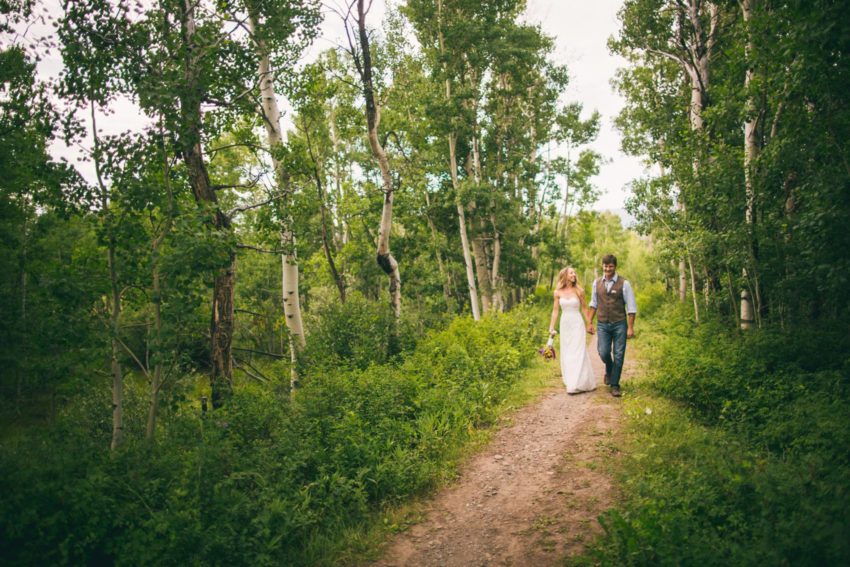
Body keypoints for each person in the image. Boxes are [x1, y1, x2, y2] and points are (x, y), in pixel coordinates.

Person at [586, 254, 637, 397]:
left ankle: (615, 384)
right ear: (602, 266)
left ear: (615, 267)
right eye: (605, 266)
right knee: (603, 352)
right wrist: (589, 322)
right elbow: (593, 304)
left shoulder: (624, 283)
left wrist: (630, 327)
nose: (608, 269)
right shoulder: (596, 283)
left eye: (610, 266)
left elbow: (631, 308)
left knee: (619, 355)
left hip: (619, 324)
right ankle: (609, 367)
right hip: (602, 324)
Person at [548, 267, 596, 394]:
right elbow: (555, 310)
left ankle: (575, 384)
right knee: (568, 352)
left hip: (577, 323)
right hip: (565, 324)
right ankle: (571, 380)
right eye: (571, 273)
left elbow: (585, 309)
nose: (574, 275)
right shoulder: (557, 292)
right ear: (565, 276)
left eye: (574, 273)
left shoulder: (579, 290)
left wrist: (589, 323)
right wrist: (551, 326)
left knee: (578, 351)